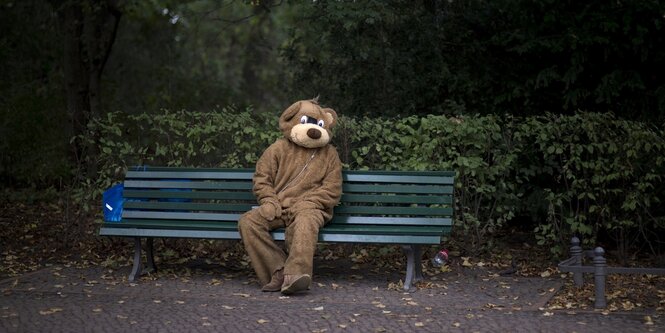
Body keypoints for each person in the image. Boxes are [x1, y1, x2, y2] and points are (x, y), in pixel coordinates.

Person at [238, 99, 342, 295]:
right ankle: (278, 270)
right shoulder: (277, 149)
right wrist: (269, 200)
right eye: (305, 121)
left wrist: (306, 203)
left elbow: (332, 189)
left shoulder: (330, 154)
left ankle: (295, 276)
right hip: (279, 206)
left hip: (311, 208)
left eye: (319, 125)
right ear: (291, 120)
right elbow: (262, 179)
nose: (313, 130)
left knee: (305, 222)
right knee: (248, 222)